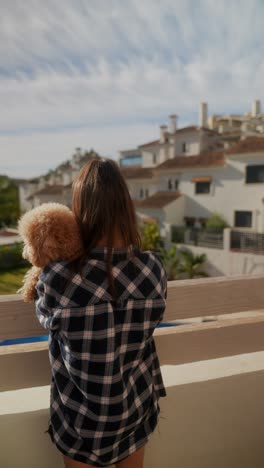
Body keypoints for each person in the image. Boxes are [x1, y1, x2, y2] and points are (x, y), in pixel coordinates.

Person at [35, 158, 167, 468]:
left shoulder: (57, 277)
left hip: (79, 420)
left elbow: (45, 315)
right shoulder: (152, 269)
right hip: (134, 411)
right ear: (125, 207)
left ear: (79, 211)